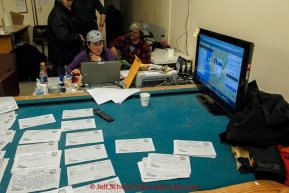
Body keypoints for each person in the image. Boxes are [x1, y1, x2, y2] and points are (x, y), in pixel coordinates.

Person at [47, 0, 84, 76]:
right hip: (62, 58)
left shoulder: (65, 12)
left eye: (72, 0)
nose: (70, 2)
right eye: (67, 0)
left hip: (65, 55)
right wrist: (78, 37)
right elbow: (63, 37)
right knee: (64, 83)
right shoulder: (58, 15)